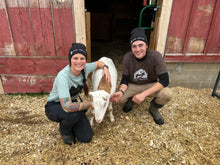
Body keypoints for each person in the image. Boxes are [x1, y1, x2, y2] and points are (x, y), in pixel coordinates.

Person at [45, 43, 111, 145]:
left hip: (72, 102)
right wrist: (90, 103)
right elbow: (67, 106)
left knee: (86, 137)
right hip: (55, 106)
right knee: (74, 113)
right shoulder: (63, 77)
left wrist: (106, 68)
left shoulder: (85, 68)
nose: (79, 62)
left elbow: (99, 63)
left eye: (82, 58)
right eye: (75, 58)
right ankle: (65, 131)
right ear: (70, 59)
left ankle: (72, 124)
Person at [110, 27, 172, 125]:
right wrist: (121, 91)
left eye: (141, 45)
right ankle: (131, 99)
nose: (137, 49)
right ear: (131, 47)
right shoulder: (127, 57)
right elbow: (125, 80)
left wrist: (143, 94)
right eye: (134, 46)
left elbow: (164, 80)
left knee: (167, 94)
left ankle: (153, 108)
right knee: (119, 99)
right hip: (133, 84)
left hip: (150, 84)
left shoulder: (156, 56)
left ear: (146, 45)